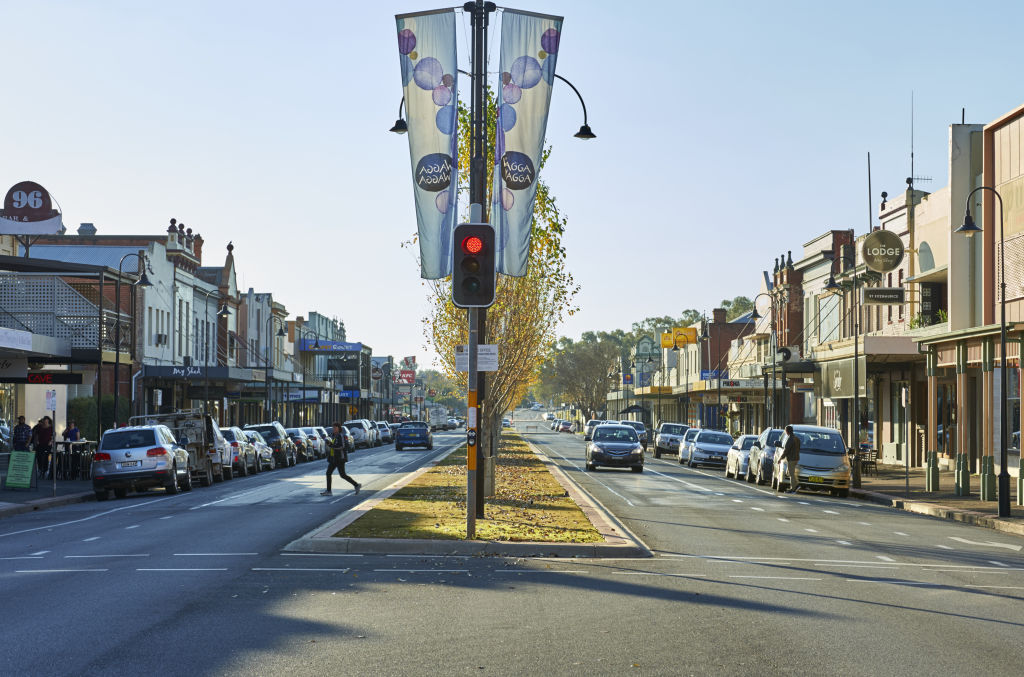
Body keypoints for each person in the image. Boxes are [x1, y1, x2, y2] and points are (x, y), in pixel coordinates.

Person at [320, 422, 360, 497]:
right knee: (328, 473)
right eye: (333, 428)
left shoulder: (340, 436)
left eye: (335, 428)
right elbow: (332, 445)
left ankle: (356, 485)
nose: (334, 429)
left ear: (339, 428)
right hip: (333, 458)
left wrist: (332, 446)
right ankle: (328, 491)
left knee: (343, 475)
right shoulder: (333, 436)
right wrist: (328, 443)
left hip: (340, 458)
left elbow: (342, 447)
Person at [776, 424, 800, 495]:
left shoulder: (790, 439)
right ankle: (796, 486)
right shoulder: (796, 439)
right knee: (788, 473)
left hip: (791, 459)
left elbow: (786, 450)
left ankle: (793, 489)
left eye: (785, 431)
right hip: (796, 458)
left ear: (787, 431)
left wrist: (780, 458)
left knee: (791, 474)